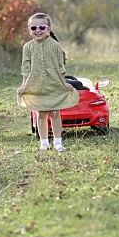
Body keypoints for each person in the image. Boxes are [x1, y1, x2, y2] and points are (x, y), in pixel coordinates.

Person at [17, 13, 78, 152]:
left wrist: (63, 83)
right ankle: (44, 142)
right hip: (36, 85)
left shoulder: (55, 45)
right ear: (29, 29)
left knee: (55, 113)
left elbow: (60, 66)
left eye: (41, 27)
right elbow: (25, 68)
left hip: (53, 84)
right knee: (41, 114)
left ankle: (58, 142)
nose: (37, 30)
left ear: (49, 29)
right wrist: (24, 86)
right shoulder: (27, 47)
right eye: (33, 28)